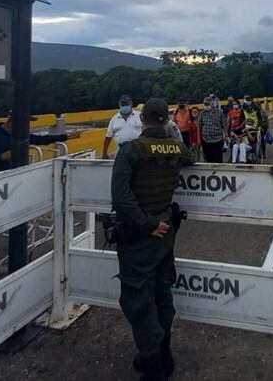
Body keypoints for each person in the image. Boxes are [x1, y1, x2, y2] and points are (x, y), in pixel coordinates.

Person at [0, 112, 81, 300]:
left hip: (9, 186)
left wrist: (67, 136)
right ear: (13, 120)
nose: (28, 127)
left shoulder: (20, 137)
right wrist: (1, 157)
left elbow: (42, 139)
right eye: (26, 122)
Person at [111, 98, 194, 380]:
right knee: (161, 292)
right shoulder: (177, 148)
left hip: (141, 235)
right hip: (165, 231)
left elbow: (121, 198)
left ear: (142, 118)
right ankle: (165, 352)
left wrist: (146, 225)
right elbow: (192, 158)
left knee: (137, 300)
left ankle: (153, 359)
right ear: (166, 120)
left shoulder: (130, 150)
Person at [197, 96, 227, 163]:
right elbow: (199, 126)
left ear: (212, 103)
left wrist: (226, 136)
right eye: (205, 104)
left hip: (217, 140)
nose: (206, 106)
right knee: (207, 158)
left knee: (217, 159)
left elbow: (225, 126)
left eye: (207, 104)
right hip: (206, 140)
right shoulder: (202, 113)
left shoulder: (220, 113)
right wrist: (199, 139)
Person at [241, 95, 267, 159]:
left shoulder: (256, 107)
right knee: (247, 139)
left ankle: (263, 153)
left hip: (256, 125)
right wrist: (242, 124)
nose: (248, 101)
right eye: (247, 99)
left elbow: (260, 118)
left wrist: (259, 126)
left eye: (249, 99)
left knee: (261, 138)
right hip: (248, 126)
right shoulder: (243, 107)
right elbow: (242, 117)